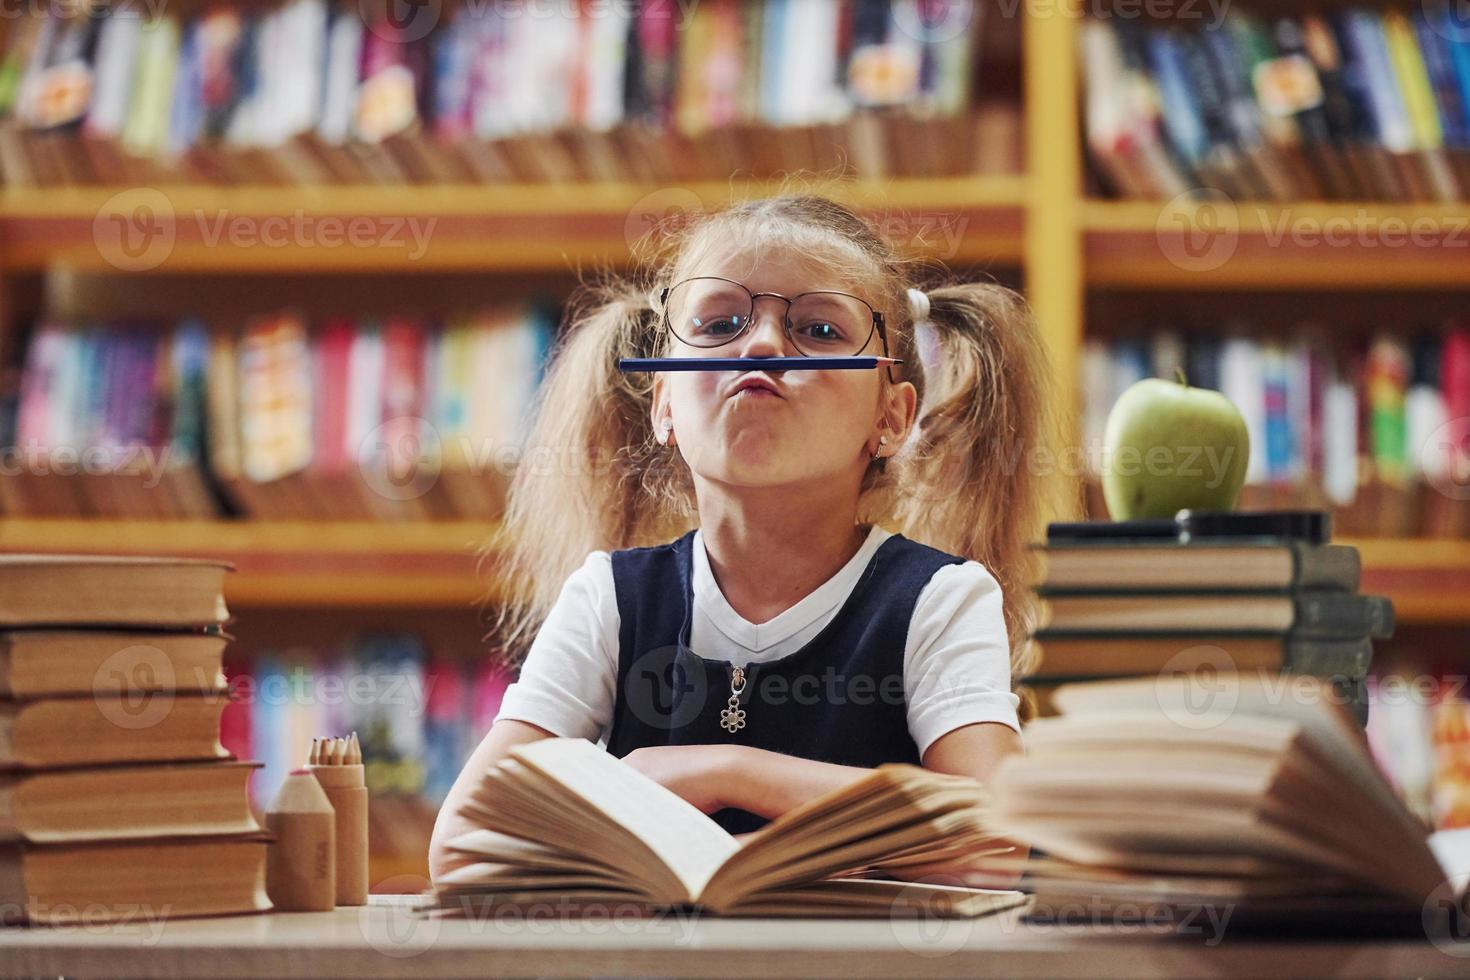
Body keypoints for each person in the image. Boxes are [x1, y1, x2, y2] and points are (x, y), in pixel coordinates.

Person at [430, 192, 1058, 883]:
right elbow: (463, 844)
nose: (759, 345)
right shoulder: (611, 599)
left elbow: (996, 842)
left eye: (819, 331)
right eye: (721, 323)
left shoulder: (939, 600)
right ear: (664, 405)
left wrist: (728, 771)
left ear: (892, 416)